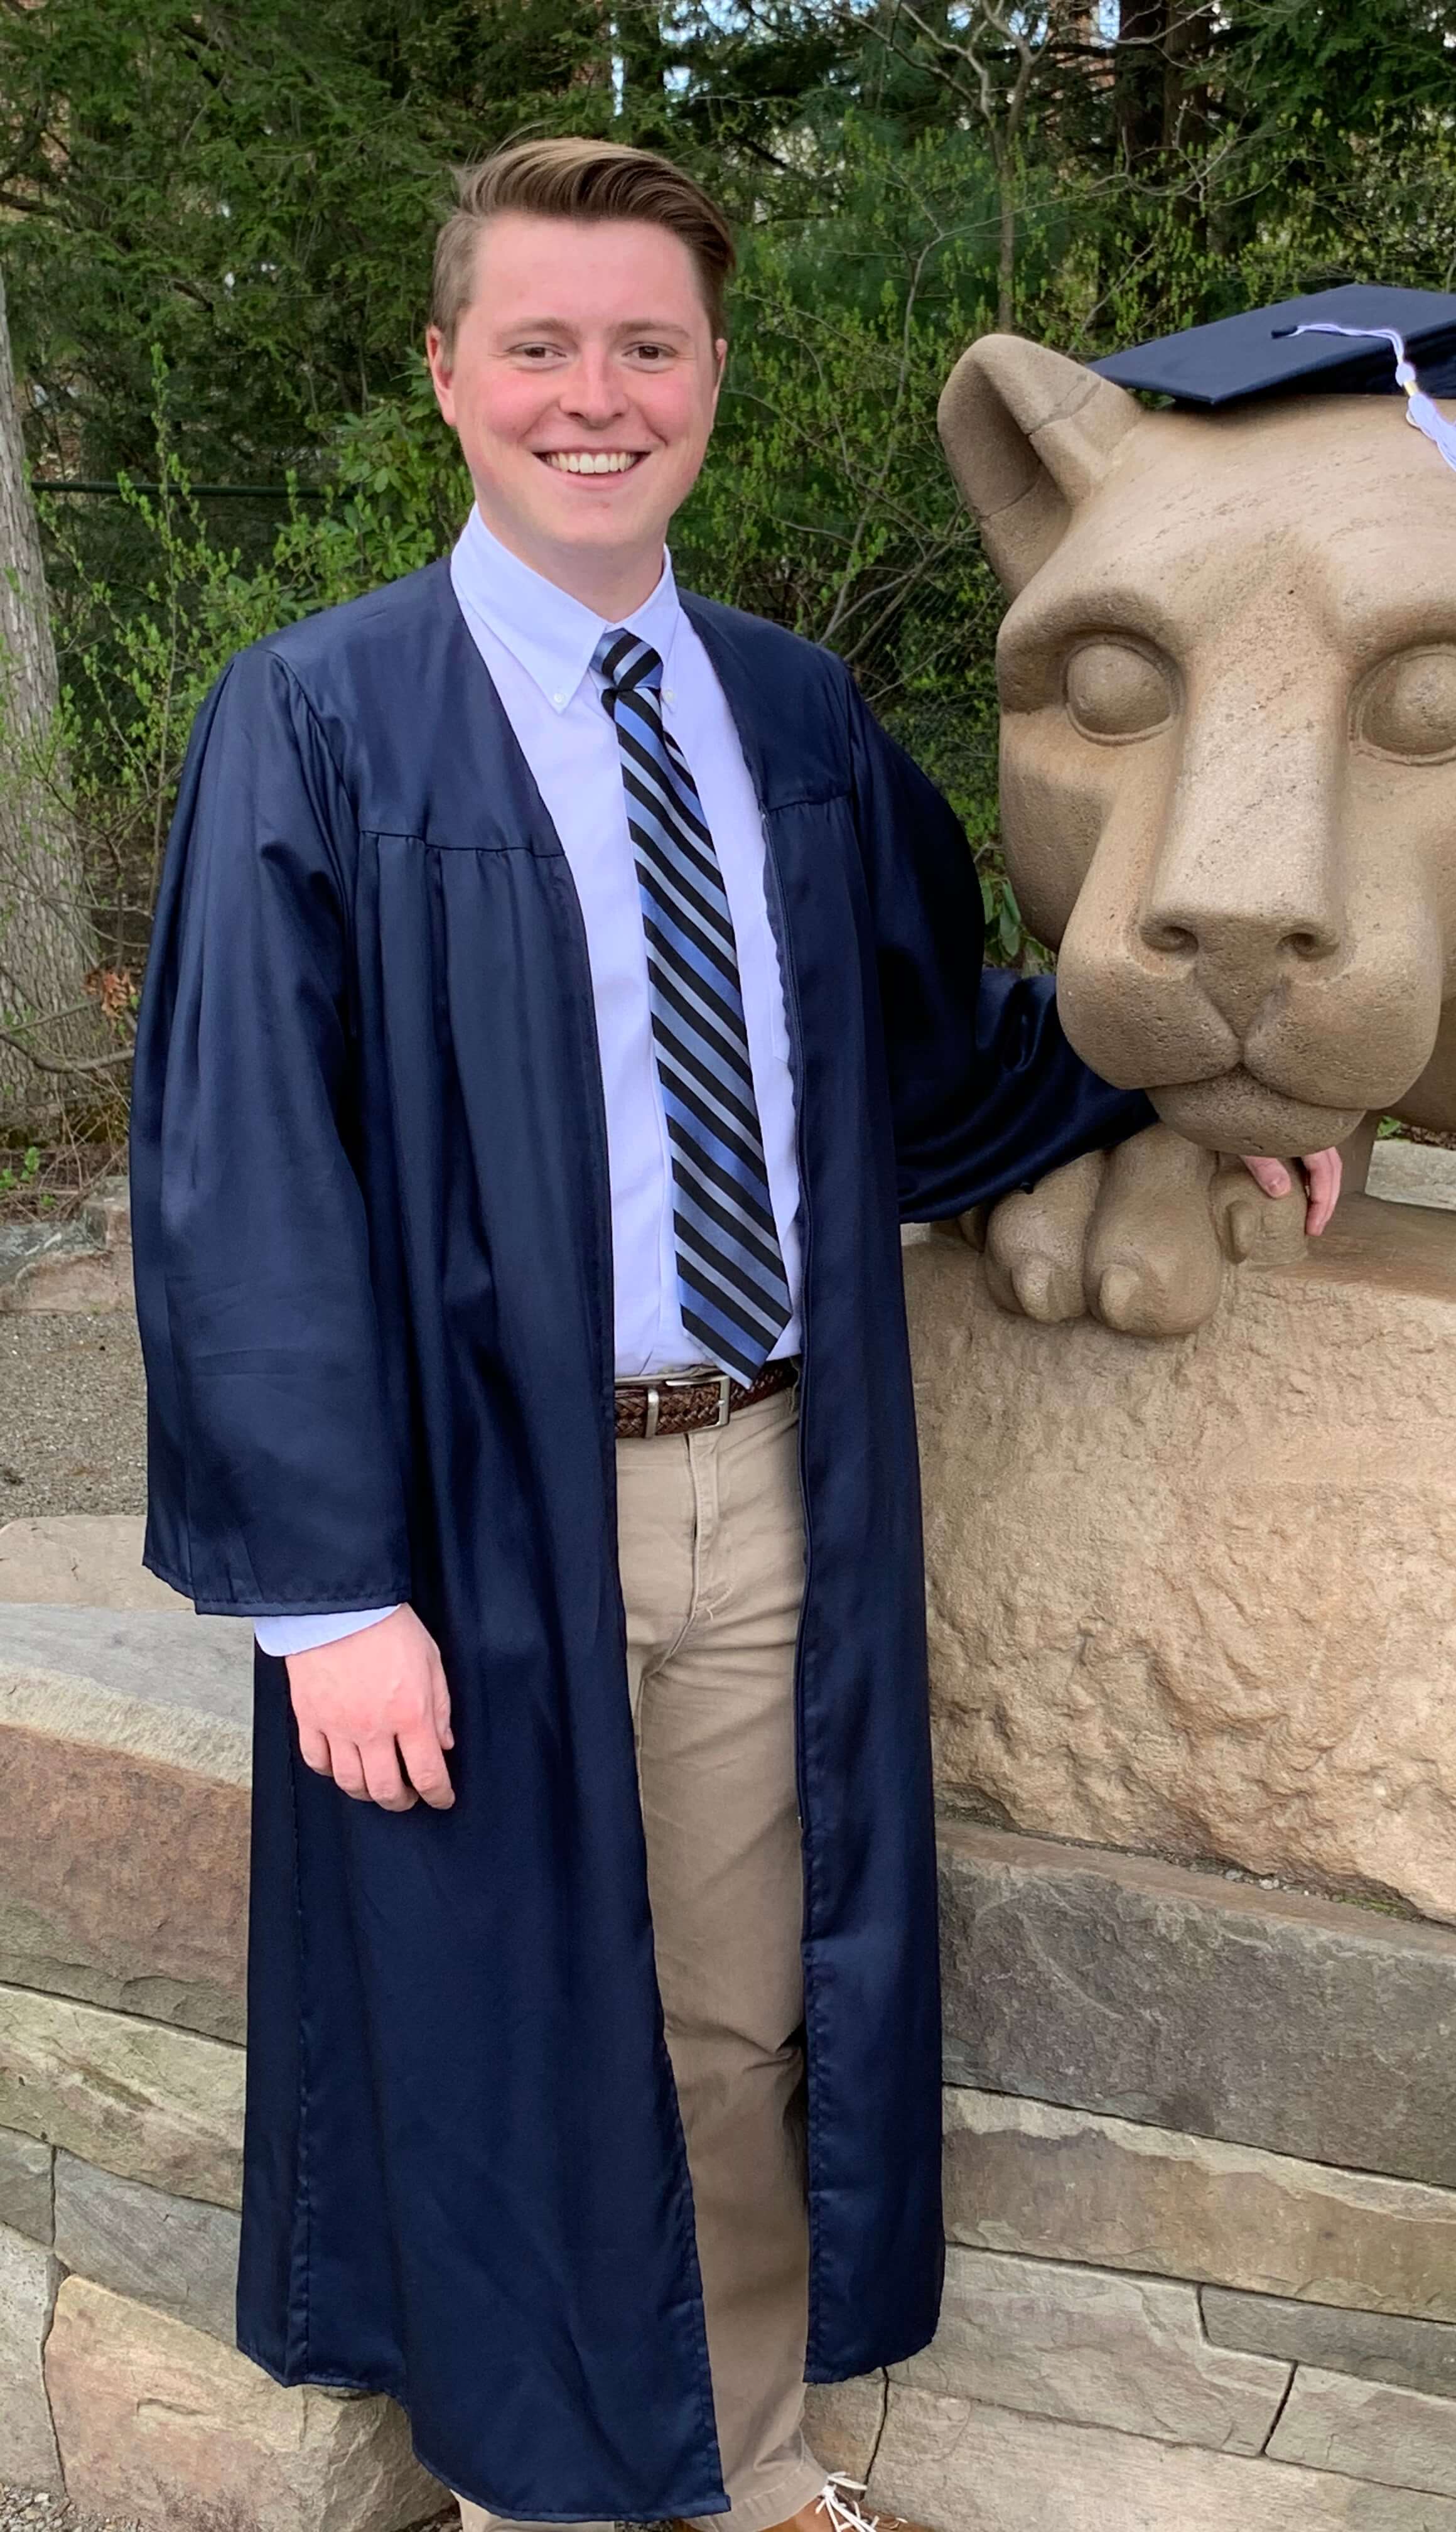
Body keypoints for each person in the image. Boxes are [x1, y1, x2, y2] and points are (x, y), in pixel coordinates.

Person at [131, 136, 1340, 2532]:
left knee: (740, 2005)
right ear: (452, 375)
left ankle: (750, 2455)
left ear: (711, 379)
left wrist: (1204, 1085)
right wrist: (325, 1591)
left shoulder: (783, 718)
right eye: (546, 344)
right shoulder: (321, 720)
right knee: (496, 2029)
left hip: (765, 1471)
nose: (601, 395)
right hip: (476, 1504)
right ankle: (532, 2485)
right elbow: (240, 1175)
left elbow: (929, 1060)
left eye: (650, 346)